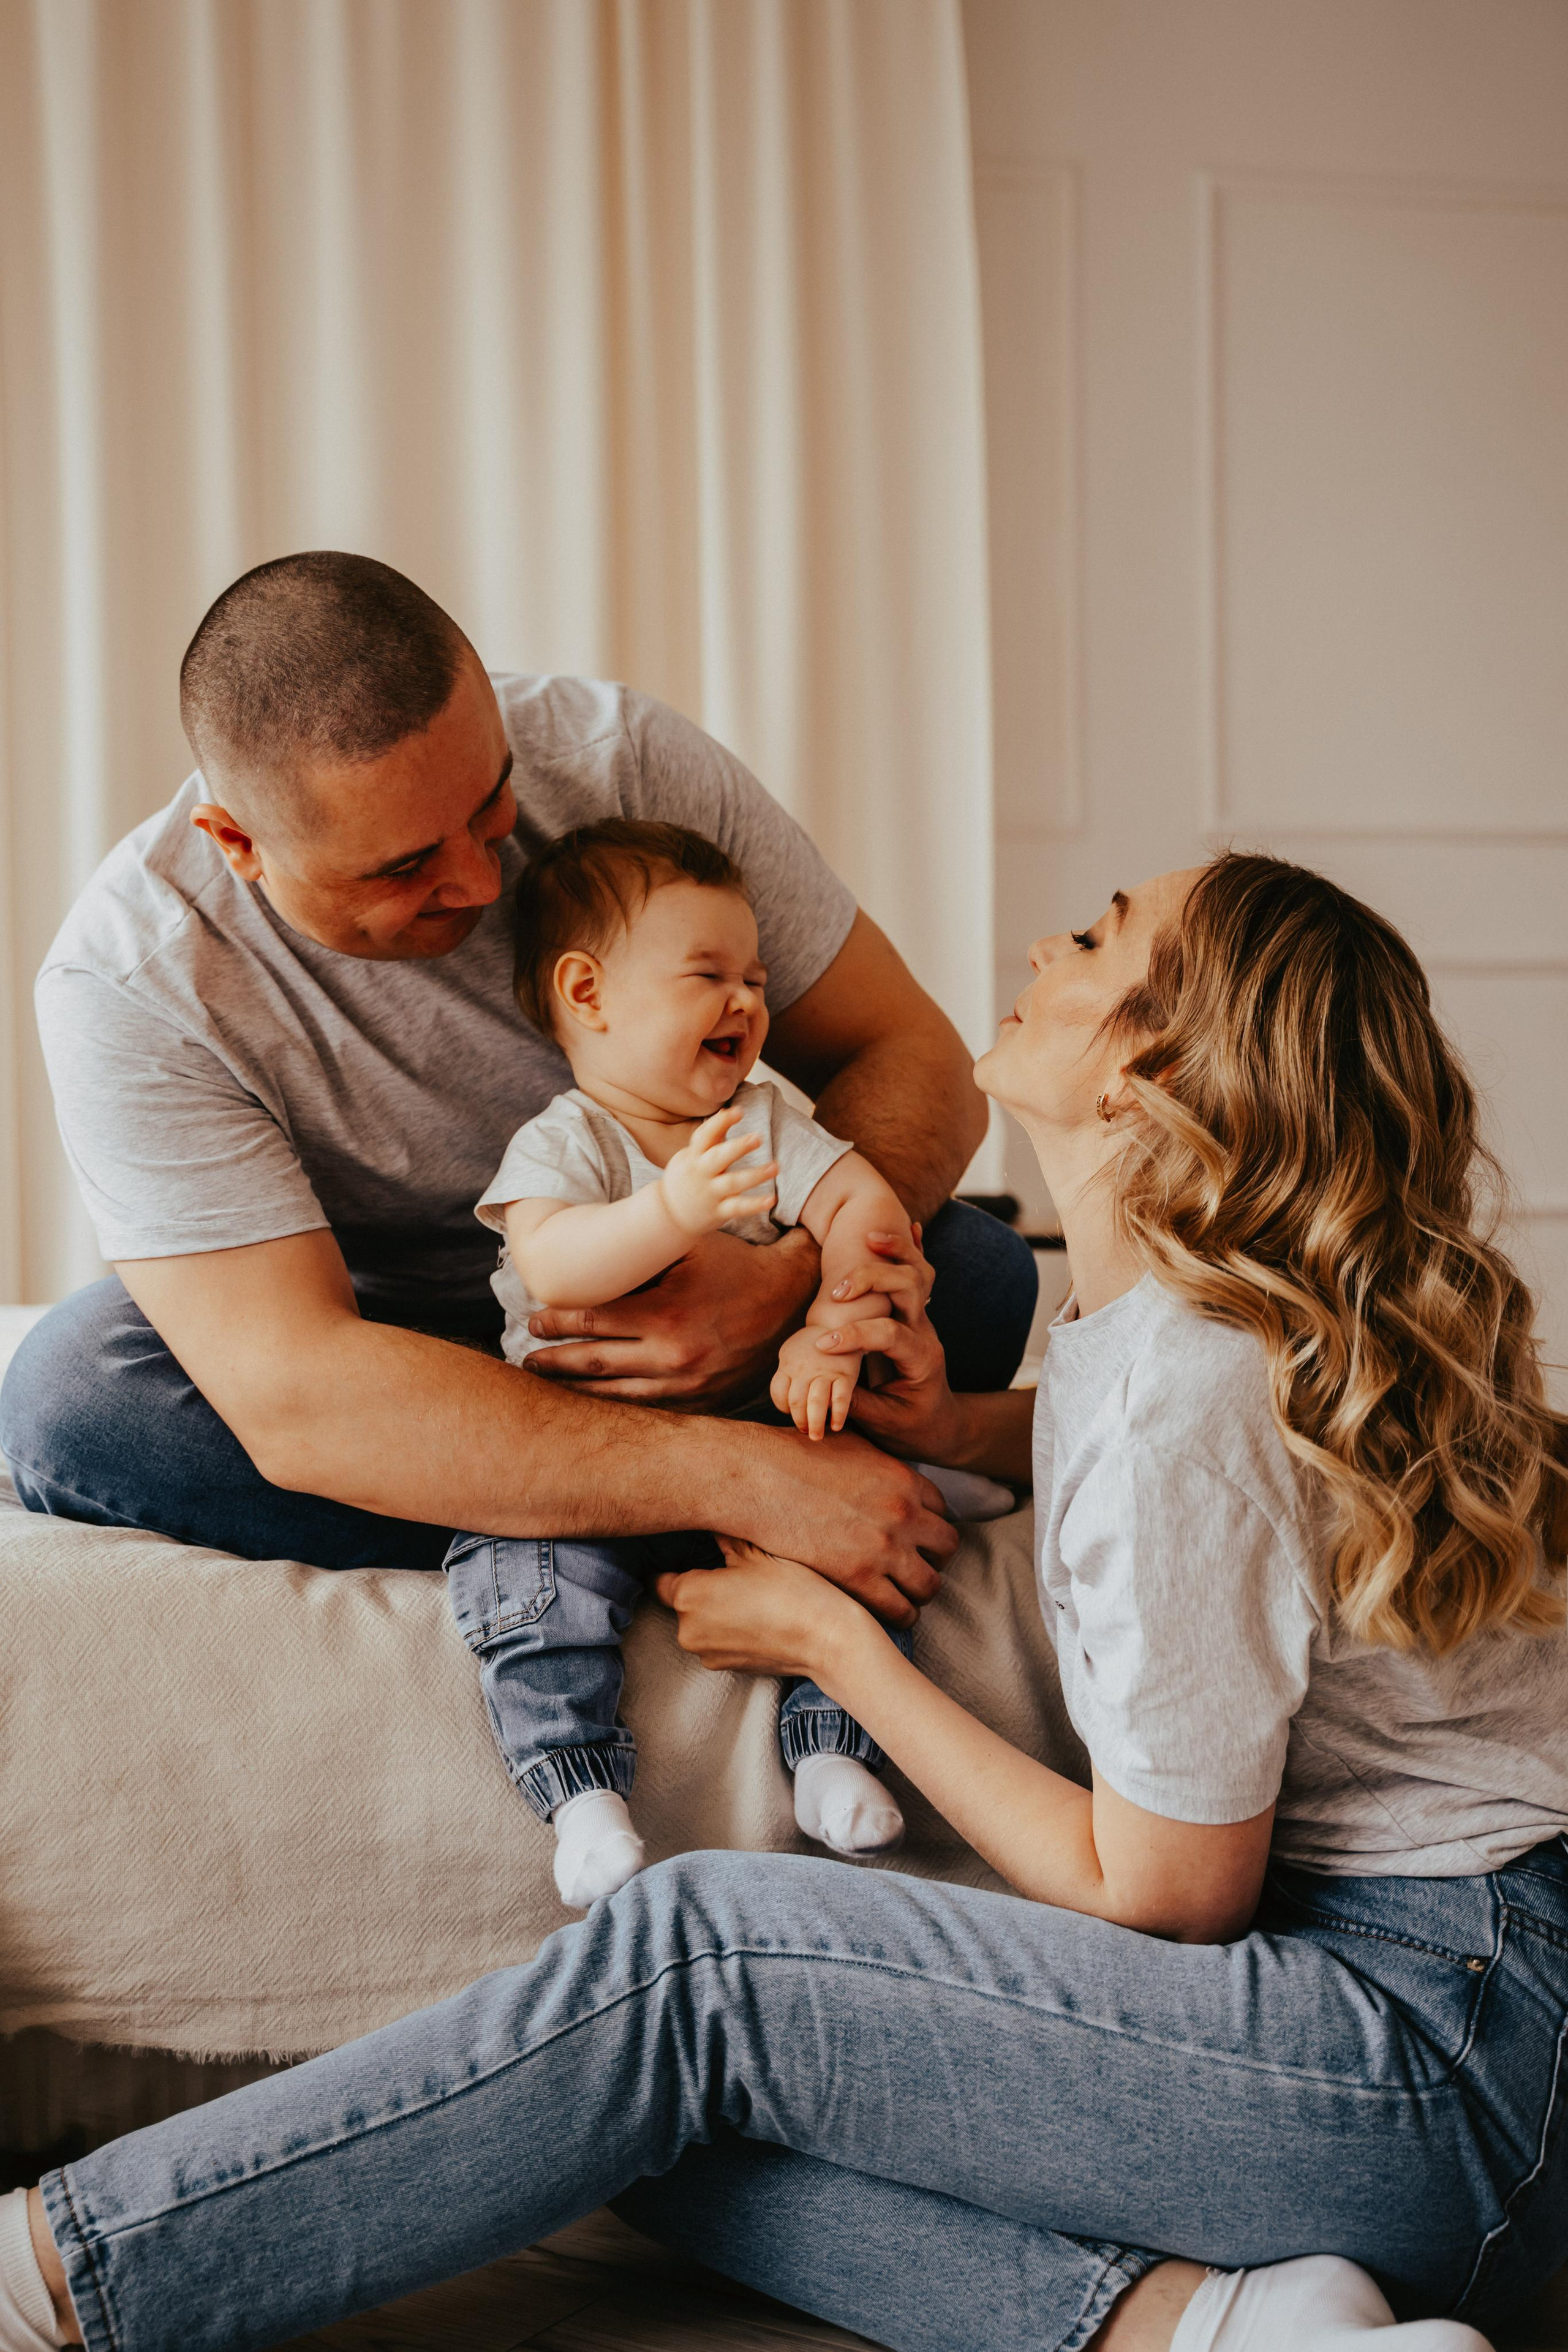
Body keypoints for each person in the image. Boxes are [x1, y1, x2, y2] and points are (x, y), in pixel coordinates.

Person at [6, 851, 1565, 2352]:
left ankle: (56, 2275)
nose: (1042, 950)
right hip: (1451, 2040)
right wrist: (955, 1431)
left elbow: (1163, 1896)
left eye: (1093, 943)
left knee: (696, 1960)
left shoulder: (1188, 1387)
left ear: (1144, 1081)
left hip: (1443, 2043)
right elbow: (1183, 1476)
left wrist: (835, 1645)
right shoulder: (1158, 1322)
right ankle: (1226, 2329)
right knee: (607, 2115)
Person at [0, 552, 1036, 1616]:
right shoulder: (133, 980)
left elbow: (916, 1060)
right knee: (76, 1400)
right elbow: (297, 1391)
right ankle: (733, 1504)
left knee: (980, 1271)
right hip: (391, 1353)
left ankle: (559, 1512)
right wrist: (745, 1476)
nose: (483, 882)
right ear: (237, 844)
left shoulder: (620, 760)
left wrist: (782, 1283)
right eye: (403, 868)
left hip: (704, 1282)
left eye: (491, 804)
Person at [447, 815, 1012, 1906]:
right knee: (518, 1577)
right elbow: (558, 1266)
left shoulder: (762, 1117)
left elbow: (858, 1199)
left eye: (755, 978)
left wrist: (829, 1321)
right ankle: (581, 1797)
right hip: (584, 1464)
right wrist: (671, 1208)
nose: (748, 1002)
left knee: (846, 1533)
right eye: (709, 974)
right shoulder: (564, 1142)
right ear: (587, 994)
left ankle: (830, 1748)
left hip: (754, 1436)